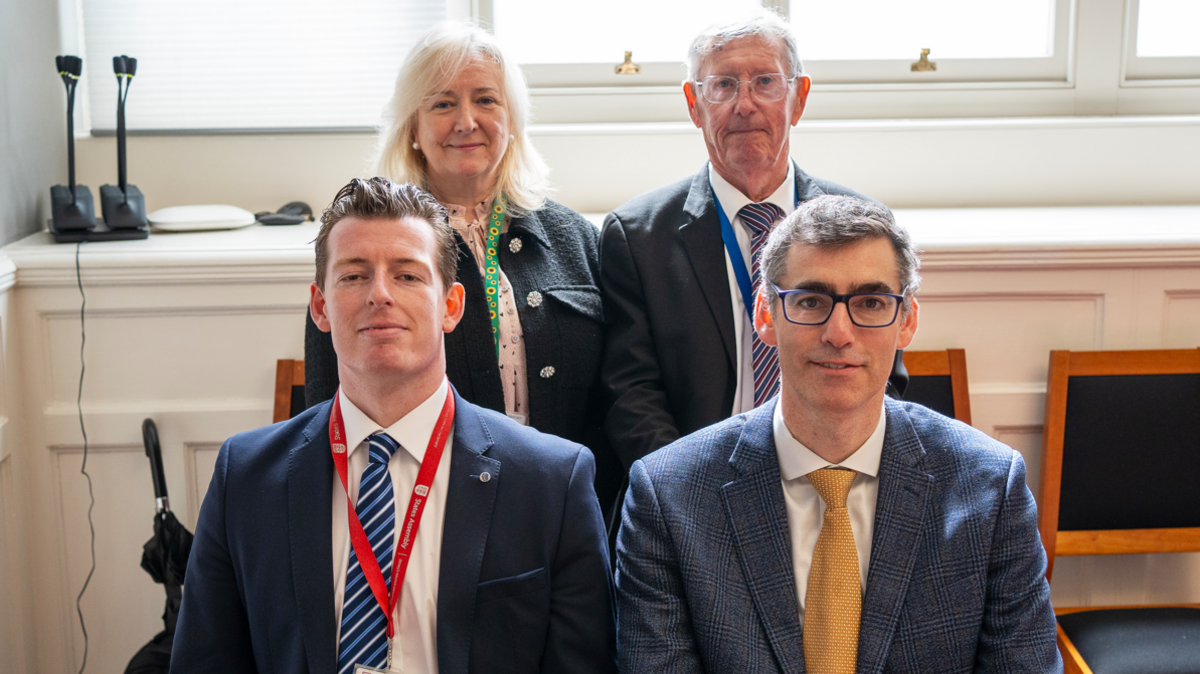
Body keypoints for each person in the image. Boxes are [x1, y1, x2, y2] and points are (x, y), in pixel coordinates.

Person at [172, 178, 616, 674]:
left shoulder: (551, 482)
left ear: (451, 306)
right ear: (320, 307)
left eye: (407, 276)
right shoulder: (247, 478)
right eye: (354, 276)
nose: (379, 294)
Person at [615, 195, 1060, 673]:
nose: (839, 332)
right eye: (811, 301)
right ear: (766, 314)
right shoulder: (669, 497)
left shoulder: (991, 490)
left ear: (907, 320)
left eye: (871, 302)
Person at [305, 22, 619, 519]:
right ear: (412, 126)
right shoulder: (369, 245)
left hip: (567, 507)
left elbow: (616, 397)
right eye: (442, 103)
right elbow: (329, 408)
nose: (466, 121)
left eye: (487, 101)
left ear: (512, 118)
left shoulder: (576, 238)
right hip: (429, 517)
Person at [600, 11, 906, 482]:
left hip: (831, 475)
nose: (745, 105)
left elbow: (885, 377)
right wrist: (687, 494)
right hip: (696, 482)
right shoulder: (638, 236)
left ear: (799, 98)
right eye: (723, 85)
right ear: (693, 104)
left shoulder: (866, 229)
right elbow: (632, 397)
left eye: (765, 82)